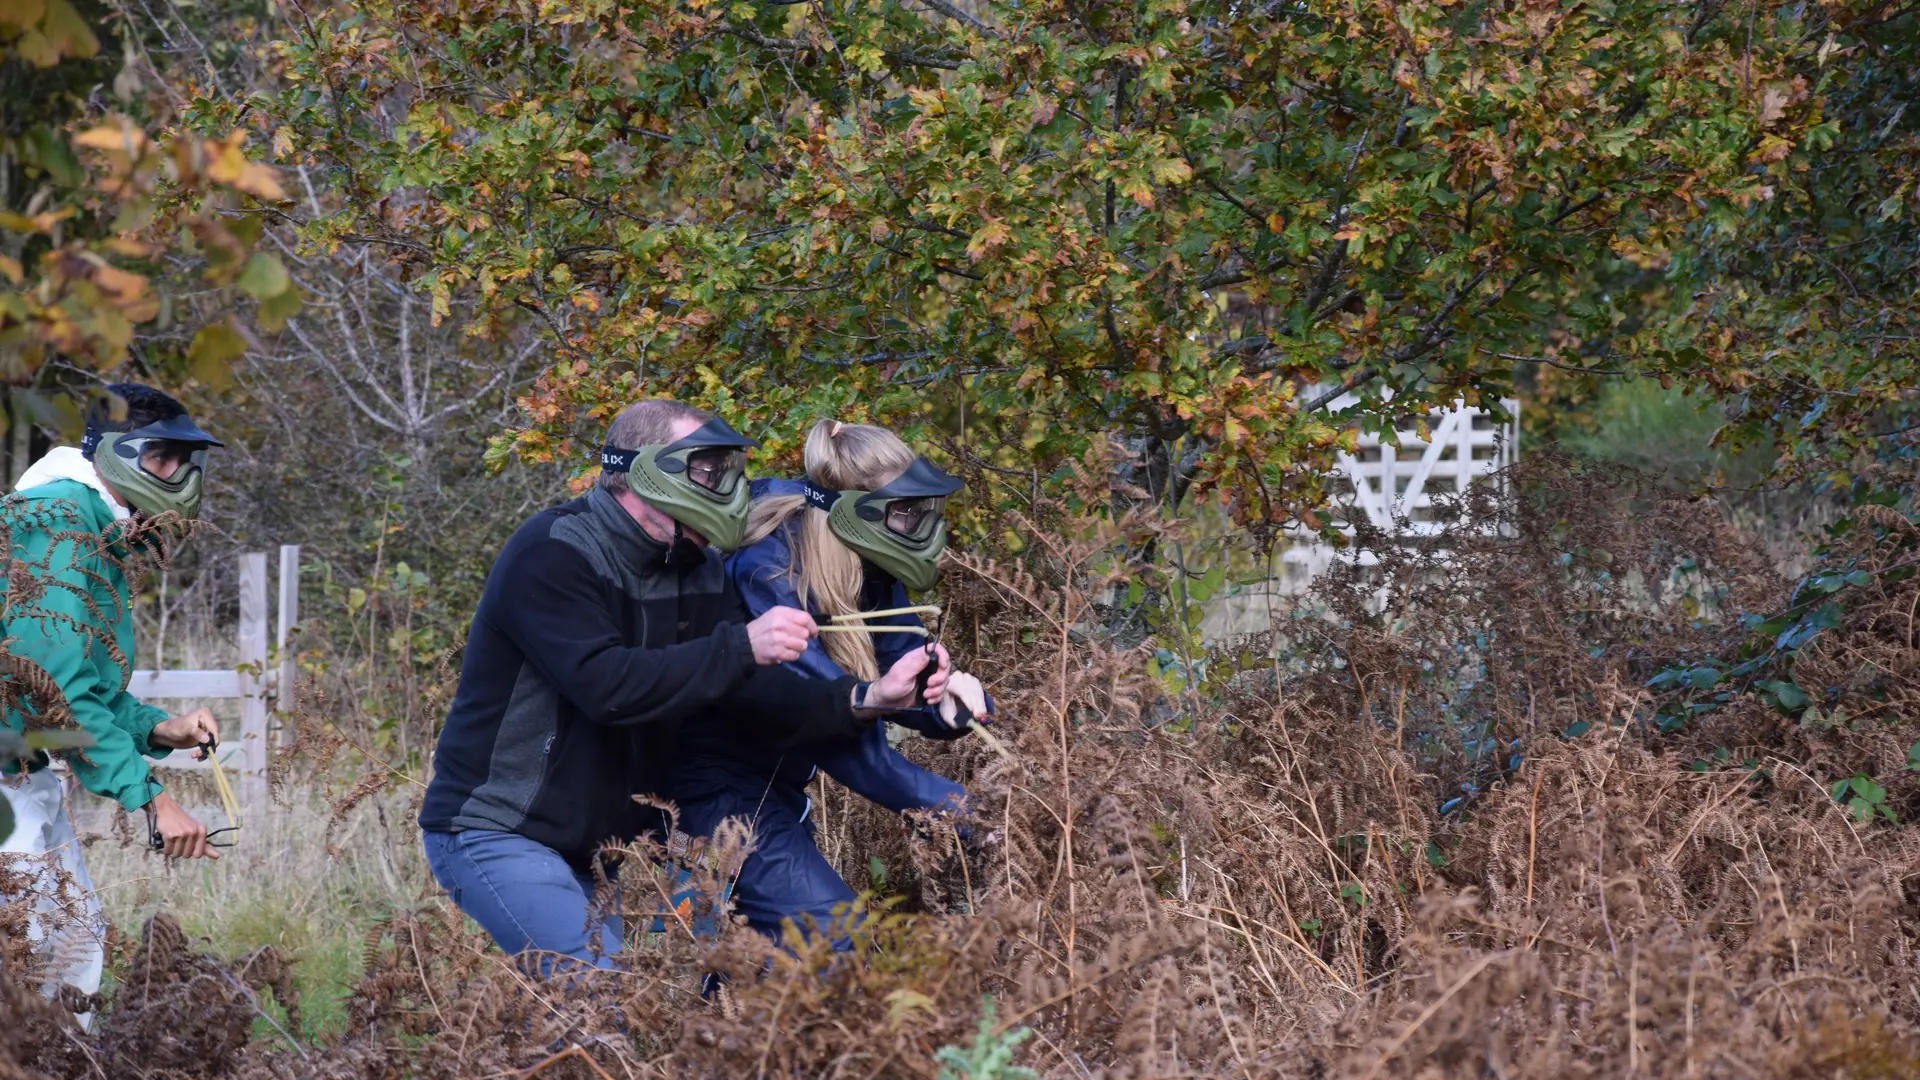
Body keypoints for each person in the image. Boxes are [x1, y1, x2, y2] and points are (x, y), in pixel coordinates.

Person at [418, 400, 952, 975]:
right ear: (645, 471)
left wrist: (868, 699)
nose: (722, 485)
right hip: (501, 832)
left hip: (611, 846)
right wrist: (742, 645)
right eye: (705, 469)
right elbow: (607, 686)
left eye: (726, 470)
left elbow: (749, 696)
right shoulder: (554, 551)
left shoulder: (692, 568)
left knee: (721, 995)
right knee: (598, 1003)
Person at [672, 419, 990, 947]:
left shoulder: (872, 567)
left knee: (758, 960)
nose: (922, 529)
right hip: (711, 788)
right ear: (855, 512)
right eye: (906, 512)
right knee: (833, 936)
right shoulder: (766, 571)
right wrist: (966, 814)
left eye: (924, 512)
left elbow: (899, 675)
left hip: (776, 784)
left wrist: (947, 706)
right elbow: (832, 719)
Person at [0, 384, 228, 1027]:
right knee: (34, 955)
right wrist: (153, 799)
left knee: (73, 946)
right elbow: (54, 696)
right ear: (122, 456)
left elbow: (85, 685)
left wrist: (161, 727)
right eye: (165, 458)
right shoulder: (60, 527)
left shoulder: (89, 524)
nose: (181, 476)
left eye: (187, 461)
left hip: (24, 770)